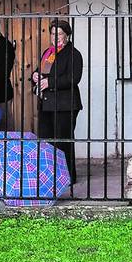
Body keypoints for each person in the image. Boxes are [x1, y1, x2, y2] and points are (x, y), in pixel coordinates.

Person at [32, 18, 83, 184]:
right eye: (53, 33)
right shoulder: (49, 52)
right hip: (47, 103)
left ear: (67, 35)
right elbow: (43, 71)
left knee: (63, 141)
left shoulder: (74, 54)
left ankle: (68, 176)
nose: (56, 37)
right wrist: (35, 75)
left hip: (65, 104)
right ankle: (51, 174)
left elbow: (73, 78)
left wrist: (50, 83)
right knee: (47, 141)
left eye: (59, 34)